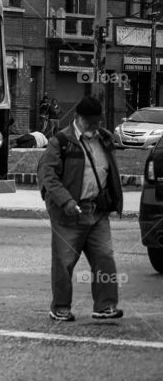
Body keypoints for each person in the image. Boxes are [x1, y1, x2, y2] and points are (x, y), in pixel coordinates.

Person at [37, 96, 123, 322]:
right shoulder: (61, 141)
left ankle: (105, 306)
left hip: (97, 212)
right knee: (64, 263)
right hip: (69, 214)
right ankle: (61, 308)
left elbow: (109, 172)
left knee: (105, 258)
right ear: (78, 118)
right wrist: (66, 201)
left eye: (98, 122)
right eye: (90, 123)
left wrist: (113, 199)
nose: (94, 127)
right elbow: (48, 176)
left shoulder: (104, 139)